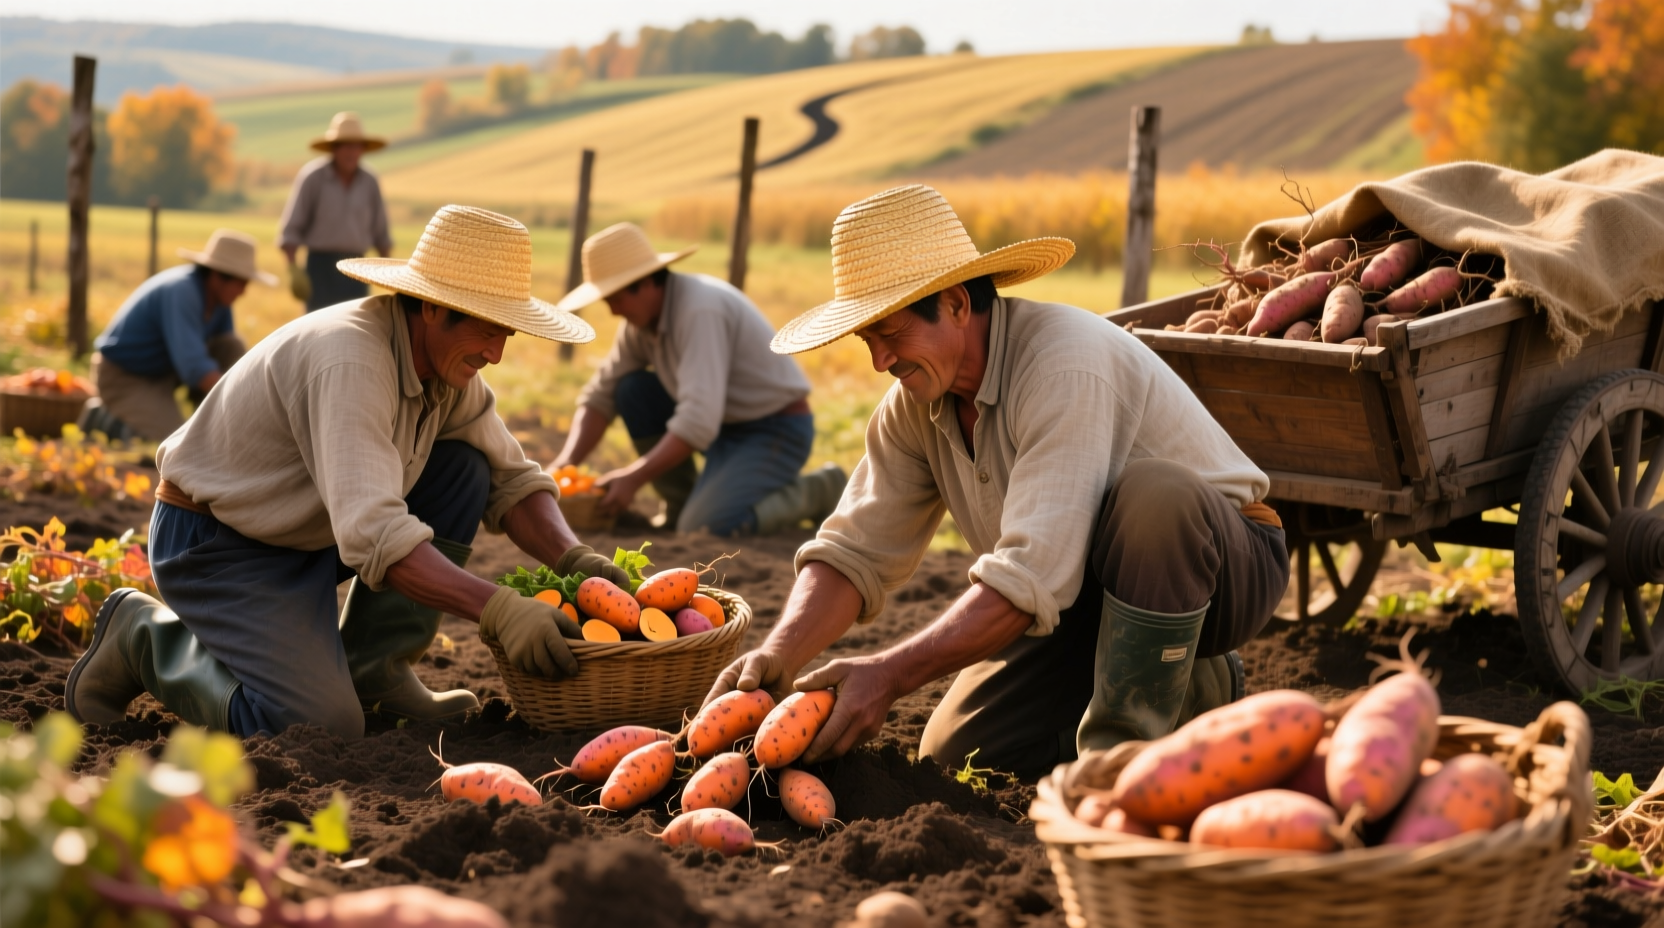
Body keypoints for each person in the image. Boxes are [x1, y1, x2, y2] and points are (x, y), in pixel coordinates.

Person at [705, 185, 1289, 778]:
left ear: (957, 304)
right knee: (959, 756)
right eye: (867, 340)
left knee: (1155, 497)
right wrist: (778, 655)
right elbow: (855, 550)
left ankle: (1132, 748)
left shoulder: (1063, 366)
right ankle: (1158, 697)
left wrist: (889, 674)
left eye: (891, 332)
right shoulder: (914, 403)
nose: (880, 361)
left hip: (1215, 573)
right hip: (1073, 597)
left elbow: (1031, 573)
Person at [66, 205, 635, 741]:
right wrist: (498, 610)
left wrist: (575, 560)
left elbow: (512, 479)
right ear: (432, 307)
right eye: (489, 329)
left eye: (506, 334)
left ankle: (375, 672)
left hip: (303, 532)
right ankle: (143, 639)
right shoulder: (351, 360)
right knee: (316, 724)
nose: (496, 352)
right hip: (218, 544)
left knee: (466, 467)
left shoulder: (444, 368)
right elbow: (374, 533)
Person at [550, 222, 846, 535]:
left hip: (773, 431)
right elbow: (601, 395)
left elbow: (698, 420)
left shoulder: (699, 311)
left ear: (646, 282)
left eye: (616, 299)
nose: (613, 312)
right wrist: (564, 465)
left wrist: (633, 478)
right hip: (722, 429)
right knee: (632, 390)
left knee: (707, 526)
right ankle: (681, 505)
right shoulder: (638, 325)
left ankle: (819, 490)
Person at [81, 229, 272, 442]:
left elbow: (225, 353)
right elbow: (194, 366)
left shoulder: (219, 302)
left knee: (231, 345)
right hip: (124, 377)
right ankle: (105, 417)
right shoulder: (182, 292)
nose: (243, 292)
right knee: (179, 442)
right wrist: (241, 402)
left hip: (163, 373)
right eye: (241, 283)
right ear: (218, 276)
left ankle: (217, 425)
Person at [277, 111, 393, 312]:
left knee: (353, 331)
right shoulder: (313, 178)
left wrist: (391, 279)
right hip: (320, 269)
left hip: (357, 270)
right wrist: (293, 269)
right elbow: (291, 230)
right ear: (334, 149)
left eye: (356, 147)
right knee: (317, 330)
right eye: (346, 146)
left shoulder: (369, 182)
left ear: (362, 150)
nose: (351, 153)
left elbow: (381, 234)